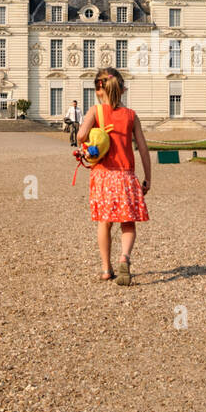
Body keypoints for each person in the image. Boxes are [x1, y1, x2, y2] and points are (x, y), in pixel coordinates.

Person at [77, 67, 151, 286]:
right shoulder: (131, 115)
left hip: (103, 176)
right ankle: (124, 258)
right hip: (126, 176)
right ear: (121, 89)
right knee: (127, 223)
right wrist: (148, 178)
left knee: (105, 223)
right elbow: (144, 149)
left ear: (99, 90)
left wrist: (95, 136)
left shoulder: (96, 112)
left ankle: (106, 269)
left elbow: (81, 136)